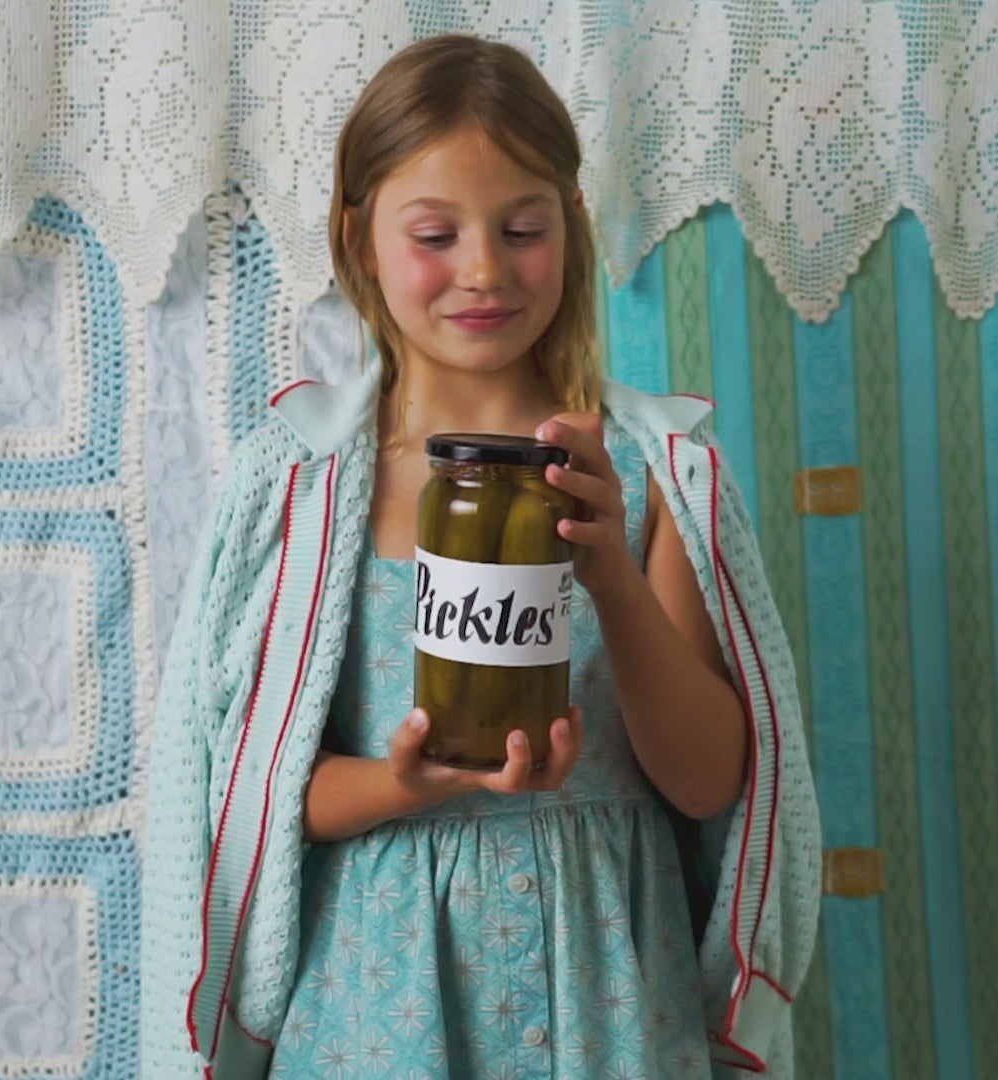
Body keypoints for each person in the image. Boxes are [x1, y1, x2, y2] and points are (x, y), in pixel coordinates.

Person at [141, 33, 820, 1079]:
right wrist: (404, 783)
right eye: (435, 234)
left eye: (523, 229)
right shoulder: (303, 487)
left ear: (572, 226)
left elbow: (706, 783)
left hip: (609, 1010)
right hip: (377, 1012)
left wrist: (610, 574)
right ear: (360, 238)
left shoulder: (655, 475)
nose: (485, 270)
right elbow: (253, 790)